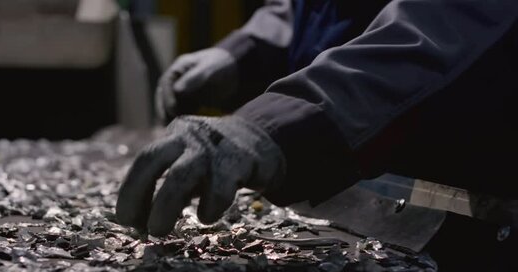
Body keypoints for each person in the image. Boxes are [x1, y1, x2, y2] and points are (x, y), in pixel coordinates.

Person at [116, 0, 518, 236]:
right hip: (345, 193)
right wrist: (246, 50)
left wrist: (277, 124)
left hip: (468, 209)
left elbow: (445, 26)